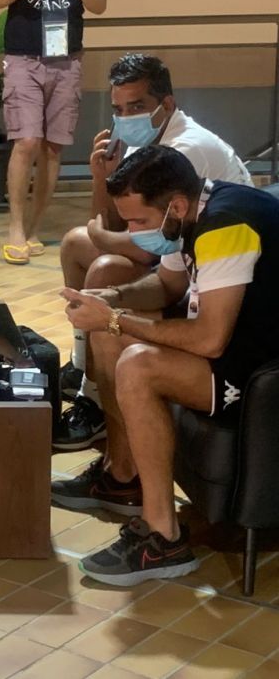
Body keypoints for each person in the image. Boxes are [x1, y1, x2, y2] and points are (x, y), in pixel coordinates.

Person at [54, 144, 279, 585]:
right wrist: (112, 299)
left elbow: (210, 339)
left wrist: (116, 319)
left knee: (138, 364)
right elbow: (166, 285)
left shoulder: (225, 227)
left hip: (263, 370)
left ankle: (164, 539)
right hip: (237, 342)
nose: (133, 233)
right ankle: (123, 477)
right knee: (110, 335)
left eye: (139, 222)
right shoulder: (189, 211)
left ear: (174, 205)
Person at [55, 54, 252, 451]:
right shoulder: (142, 144)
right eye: (118, 110)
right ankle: (86, 374)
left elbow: (143, 246)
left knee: (106, 269)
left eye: (137, 107)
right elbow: (118, 221)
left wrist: (112, 307)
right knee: (77, 244)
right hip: (181, 254)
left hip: (221, 271)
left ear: (167, 104)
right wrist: (101, 178)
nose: (125, 118)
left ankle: (95, 396)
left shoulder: (185, 150)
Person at [0, 0, 106, 265]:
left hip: (67, 59)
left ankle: (34, 228)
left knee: (53, 147)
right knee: (26, 141)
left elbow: (100, 4)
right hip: (23, 58)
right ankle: (15, 228)